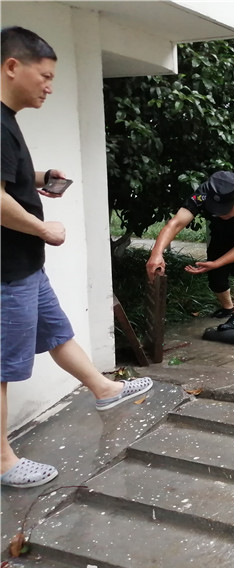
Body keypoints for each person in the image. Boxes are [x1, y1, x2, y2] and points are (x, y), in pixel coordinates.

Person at [1, 27, 153, 488]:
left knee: (56, 330)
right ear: (12, 67)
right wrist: (43, 228)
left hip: (24, 265)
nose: (49, 86)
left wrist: (41, 175)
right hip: (6, 271)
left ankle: (104, 389)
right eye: (44, 75)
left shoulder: (7, 120)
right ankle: (3, 461)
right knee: (2, 368)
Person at [145, 171, 234, 331]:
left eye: (224, 210)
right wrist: (156, 253)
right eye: (215, 209)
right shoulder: (203, 195)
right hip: (221, 229)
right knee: (215, 278)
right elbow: (175, 223)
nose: (219, 213)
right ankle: (228, 308)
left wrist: (217, 263)